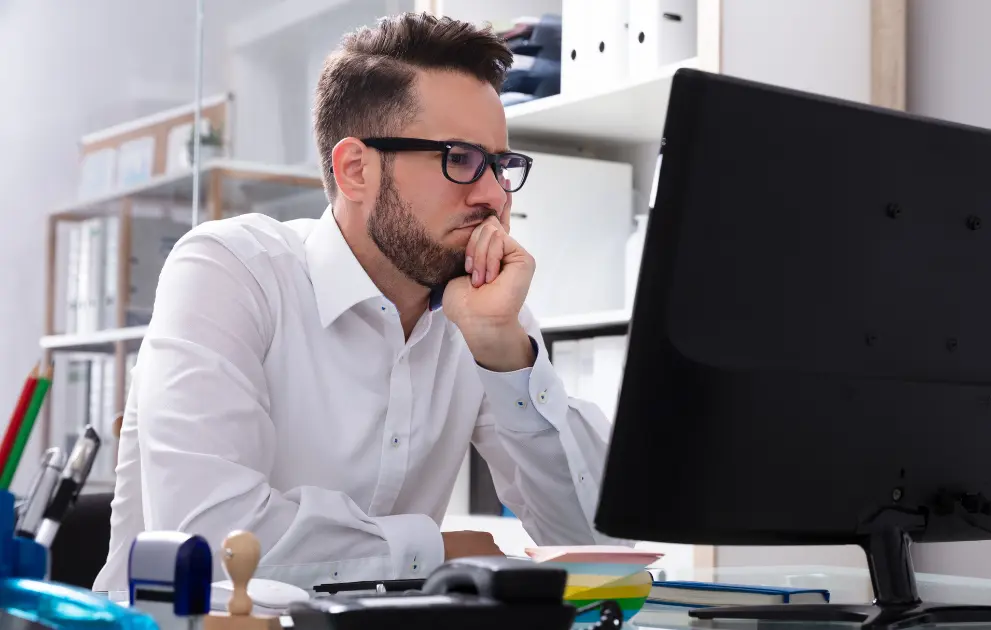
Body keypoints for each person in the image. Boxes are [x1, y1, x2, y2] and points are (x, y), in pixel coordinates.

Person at [94, 13, 621, 591]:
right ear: (355, 169)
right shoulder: (229, 270)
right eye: (460, 159)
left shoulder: (485, 315)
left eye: (501, 165)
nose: (495, 195)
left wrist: (506, 357)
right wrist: (432, 550)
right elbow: (212, 543)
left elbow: (598, 550)